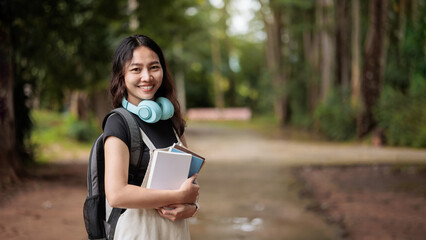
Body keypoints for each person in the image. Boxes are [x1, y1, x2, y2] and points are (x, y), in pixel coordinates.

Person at [103, 34, 200, 239]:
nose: (147, 77)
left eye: (154, 67)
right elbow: (116, 194)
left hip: (175, 233)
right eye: (136, 69)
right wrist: (178, 196)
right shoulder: (118, 123)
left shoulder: (172, 119)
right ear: (122, 75)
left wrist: (191, 207)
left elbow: (189, 182)